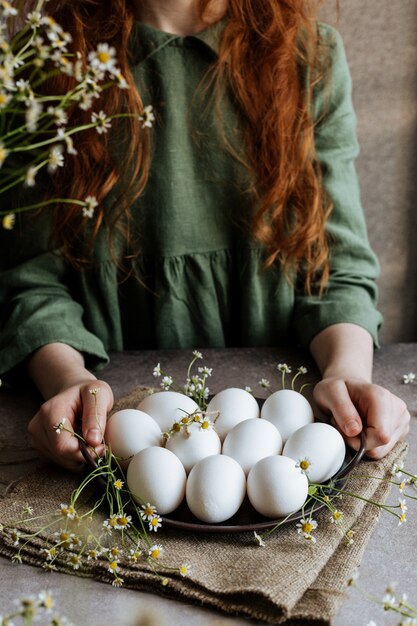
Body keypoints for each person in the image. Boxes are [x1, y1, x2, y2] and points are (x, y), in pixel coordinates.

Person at [0, 0, 409, 472]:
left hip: (281, 408)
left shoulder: (306, 58)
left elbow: (335, 265)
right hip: (114, 417)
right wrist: (68, 379)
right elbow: (30, 280)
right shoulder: (45, 67)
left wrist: (348, 373)